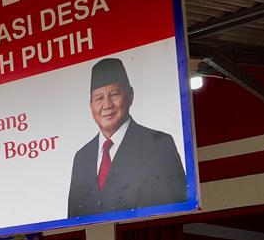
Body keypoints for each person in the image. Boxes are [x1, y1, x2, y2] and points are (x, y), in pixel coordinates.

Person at [67, 57, 187, 219]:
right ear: (91, 105)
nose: (107, 105)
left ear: (130, 95)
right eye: (99, 98)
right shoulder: (82, 157)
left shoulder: (158, 144)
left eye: (114, 94)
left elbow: (174, 207)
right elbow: (74, 219)